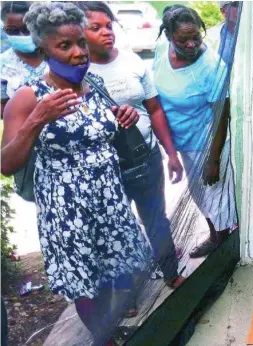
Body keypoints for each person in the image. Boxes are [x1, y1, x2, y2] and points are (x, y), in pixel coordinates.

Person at [0, 3, 151, 344]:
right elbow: (6, 163)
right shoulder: (27, 96)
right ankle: (104, 336)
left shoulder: (93, 83)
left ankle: (109, 327)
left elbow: (101, 127)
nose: (79, 52)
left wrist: (122, 114)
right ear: (44, 49)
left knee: (116, 273)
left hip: (109, 198)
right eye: (64, 46)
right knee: (86, 283)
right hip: (67, 210)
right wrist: (38, 119)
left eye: (80, 43)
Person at [78, 1, 184, 290]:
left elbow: (156, 110)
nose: (106, 33)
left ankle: (171, 273)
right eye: (95, 27)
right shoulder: (75, 74)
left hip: (146, 157)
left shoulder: (133, 62)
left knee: (156, 219)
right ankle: (127, 294)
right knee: (114, 228)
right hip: (104, 168)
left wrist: (171, 154)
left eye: (109, 26)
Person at [154, 5, 237, 258]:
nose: (191, 44)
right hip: (182, 142)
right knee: (200, 197)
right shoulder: (161, 50)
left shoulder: (212, 66)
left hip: (209, 144)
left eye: (196, 38)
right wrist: (170, 151)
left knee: (218, 201)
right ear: (168, 36)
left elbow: (222, 114)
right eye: (183, 40)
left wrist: (213, 159)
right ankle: (215, 237)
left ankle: (223, 252)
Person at [1, 1, 48, 116]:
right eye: (12, 30)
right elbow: (2, 109)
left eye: (27, 29)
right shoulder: (3, 64)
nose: (21, 35)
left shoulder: (57, 54)